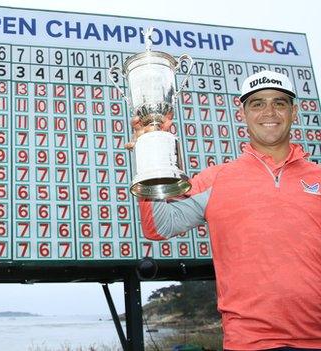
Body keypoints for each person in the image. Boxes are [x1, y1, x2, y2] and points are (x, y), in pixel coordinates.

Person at [129, 70, 321, 350]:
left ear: (294, 112)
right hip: (248, 342)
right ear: (242, 113)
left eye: (279, 103)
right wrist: (151, 156)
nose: (269, 111)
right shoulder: (216, 179)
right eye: (257, 103)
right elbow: (160, 226)